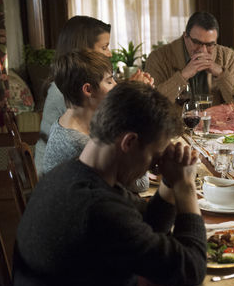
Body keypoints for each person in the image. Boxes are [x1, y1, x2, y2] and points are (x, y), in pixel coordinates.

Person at [13, 82, 207, 286]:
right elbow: (191, 269)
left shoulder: (73, 173)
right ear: (129, 142)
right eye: (154, 156)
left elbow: (147, 227)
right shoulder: (97, 208)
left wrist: (169, 183)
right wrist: (186, 188)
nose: (154, 165)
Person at [34, 15, 153, 176]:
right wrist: (133, 94)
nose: (109, 53)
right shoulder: (64, 93)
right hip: (53, 176)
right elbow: (109, 119)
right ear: (84, 51)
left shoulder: (70, 87)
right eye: (104, 47)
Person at [41, 49, 149, 192]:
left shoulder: (64, 122)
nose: (115, 85)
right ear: (88, 90)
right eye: (109, 81)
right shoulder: (80, 144)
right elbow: (141, 184)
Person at [145, 11, 234, 110]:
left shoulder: (228, 57)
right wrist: (183, 76)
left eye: (210, 44)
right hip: (174, 125)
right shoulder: (158, 58)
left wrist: (221, 74)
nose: (203, 50)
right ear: (185, 36)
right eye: (197, 42)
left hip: (218, 125)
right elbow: (149, 107)